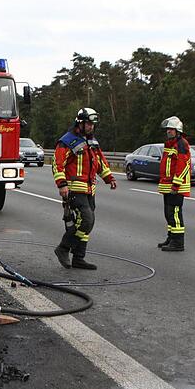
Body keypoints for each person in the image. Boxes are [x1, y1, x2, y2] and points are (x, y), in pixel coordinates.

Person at [53, 108, 117, 270]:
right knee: (86, 220)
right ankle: (63, 248)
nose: (91, 127)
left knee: (88, 223)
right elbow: (57, 164)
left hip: (90, 189)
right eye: (88, 124)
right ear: (79, 123)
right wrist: (62, 184)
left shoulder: (92, 142)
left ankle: (78, 258)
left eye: (93, 124)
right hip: (75, 189)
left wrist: (109, 178)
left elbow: (100, 162)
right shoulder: (67, 141)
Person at [157, 116, 191, 252]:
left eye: (171, 129)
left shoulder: (181, 144)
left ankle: (178, 242)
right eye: (168, 129)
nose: (168, 131)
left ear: (178, 130)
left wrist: (176, 185)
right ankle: (171, 238)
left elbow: (183, 165)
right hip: (167, 185)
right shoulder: (170, 144)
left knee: (175, 213)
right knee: (168, 213)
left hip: (176, 186)